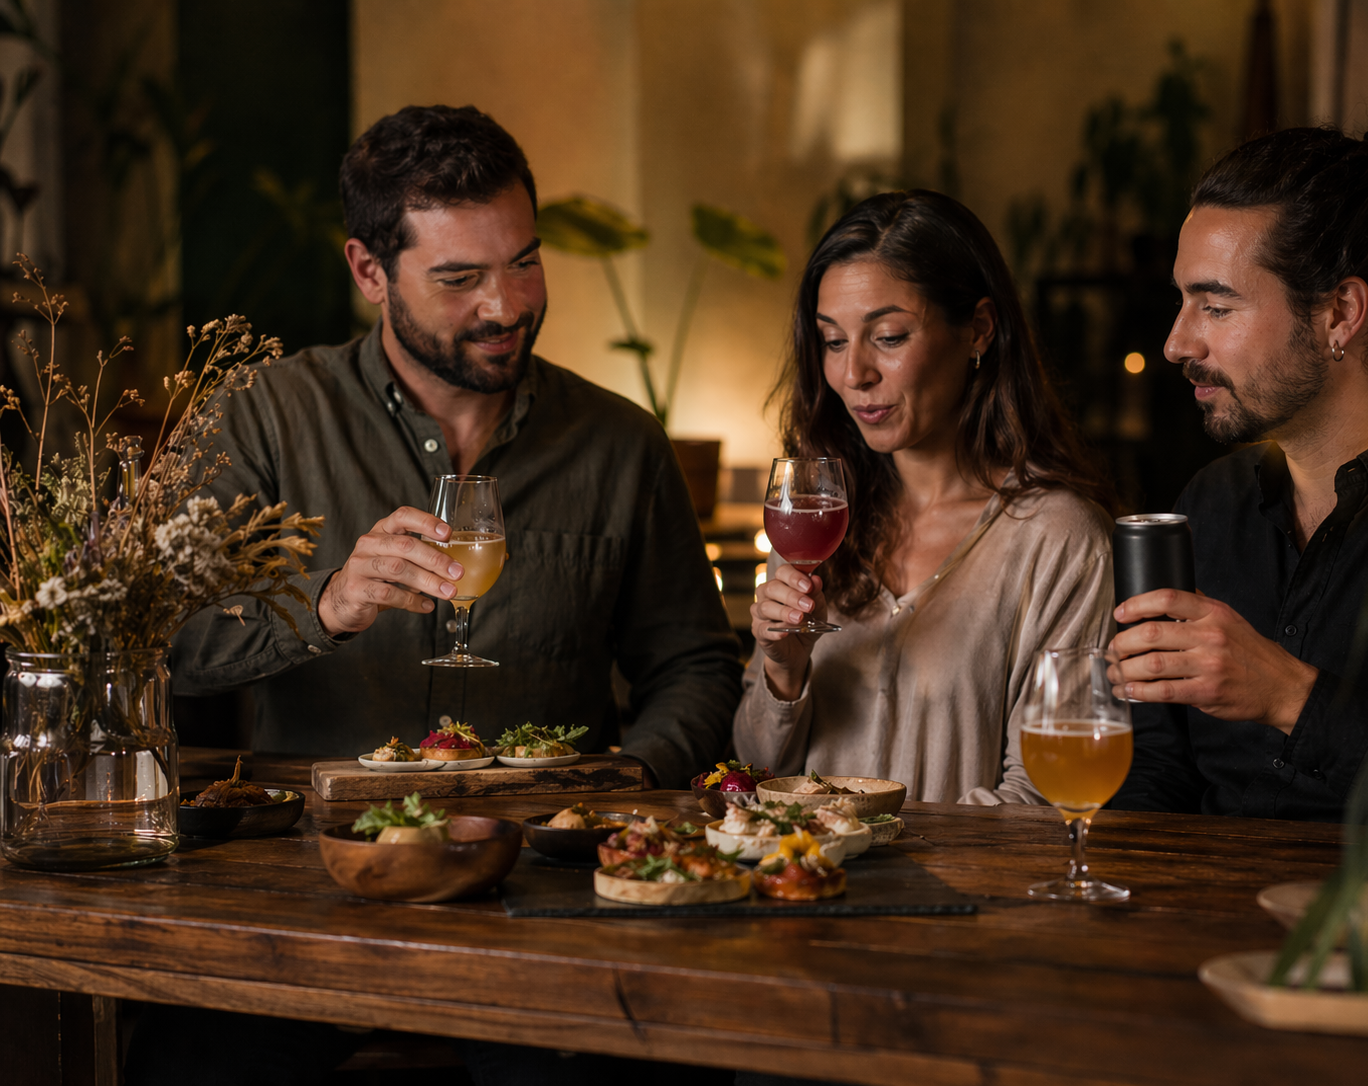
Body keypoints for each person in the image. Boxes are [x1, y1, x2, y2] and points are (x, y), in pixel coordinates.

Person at [169, 105, 741, 790]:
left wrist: (632, 778)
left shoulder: (621, 442)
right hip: (320, 859)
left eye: (524, 262)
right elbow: (173, 641)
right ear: (369, 271)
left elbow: (695, 668)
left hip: (548, 855)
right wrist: (326, 606)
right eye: (459, 279)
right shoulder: (264, 415)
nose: (505, 307)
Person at [1109, 92, 1368, 821]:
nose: (1177, 343)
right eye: (1182, 302)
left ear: (1338, 315)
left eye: (1217, 306)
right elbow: (1159, 770)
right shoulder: (1212, 502)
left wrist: (1292, 697)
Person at [733, 190, 1117, 805]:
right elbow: (754, 772)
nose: (853, 373)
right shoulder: (815, 521)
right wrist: (783, 671)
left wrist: (866, 849)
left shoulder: (1059, 539)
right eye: (833, 341)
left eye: (887, 336)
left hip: (959, 897)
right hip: (806, 890)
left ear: (979, 331)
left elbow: (1046, 795)